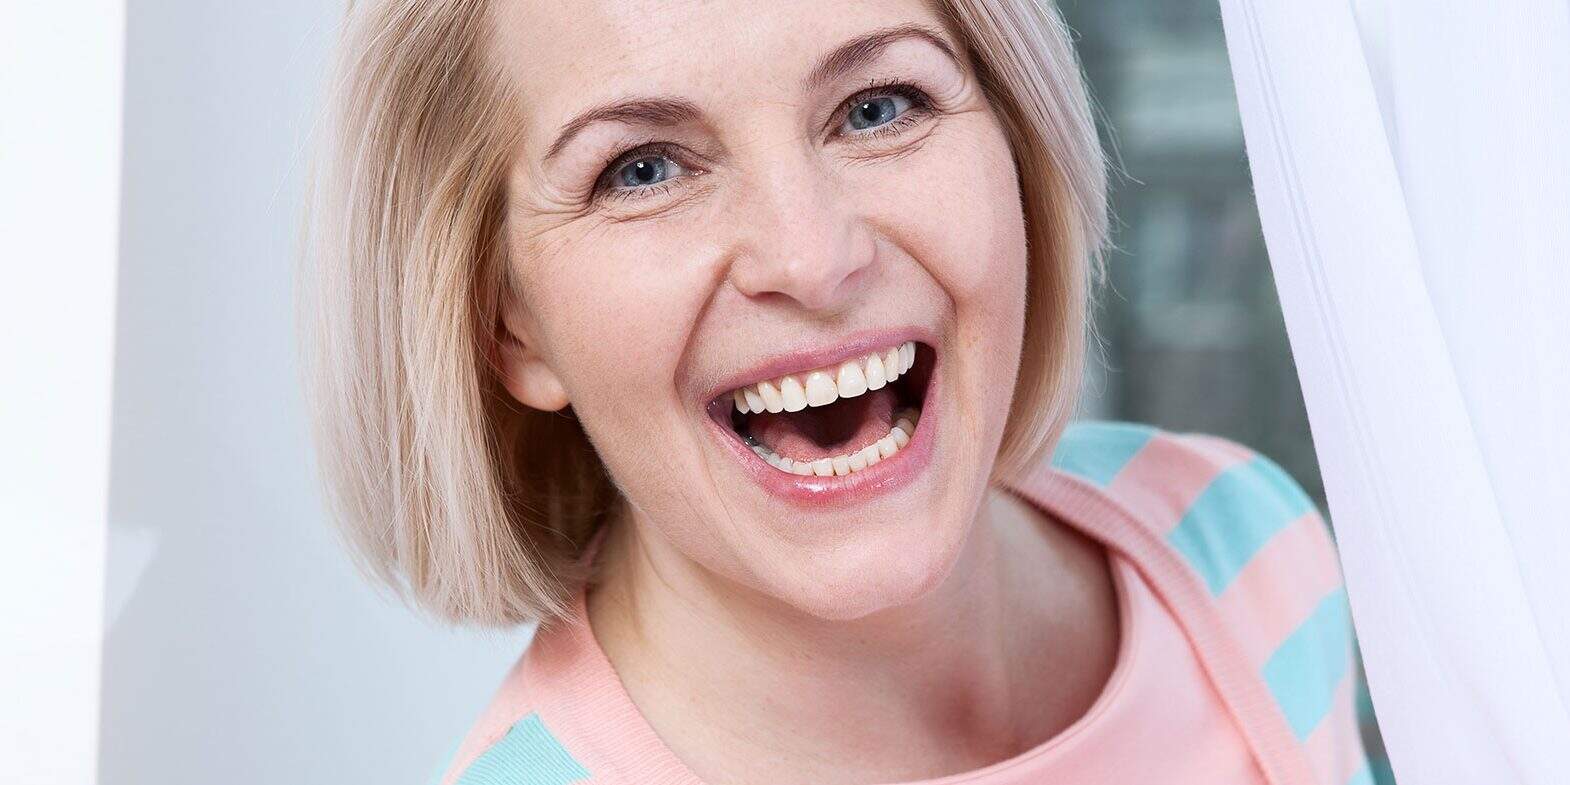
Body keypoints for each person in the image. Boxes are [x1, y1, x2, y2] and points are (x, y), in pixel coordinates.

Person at [302, 1, 1378, 783]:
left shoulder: (1238, 542)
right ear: (508, 321)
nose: (812, 258)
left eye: (876, 106)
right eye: (642, 169)